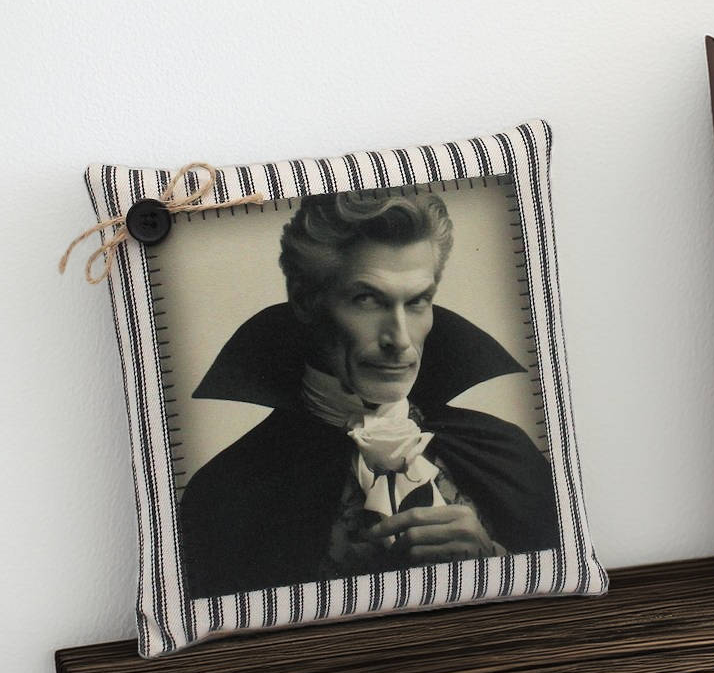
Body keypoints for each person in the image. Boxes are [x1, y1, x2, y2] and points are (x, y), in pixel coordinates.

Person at [179, 190, 559, 598]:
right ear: (306, 301)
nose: (399, 340)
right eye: (367, 300)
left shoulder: (507, 453)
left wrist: (494, 560)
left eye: (417, 302)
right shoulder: (225, 495)